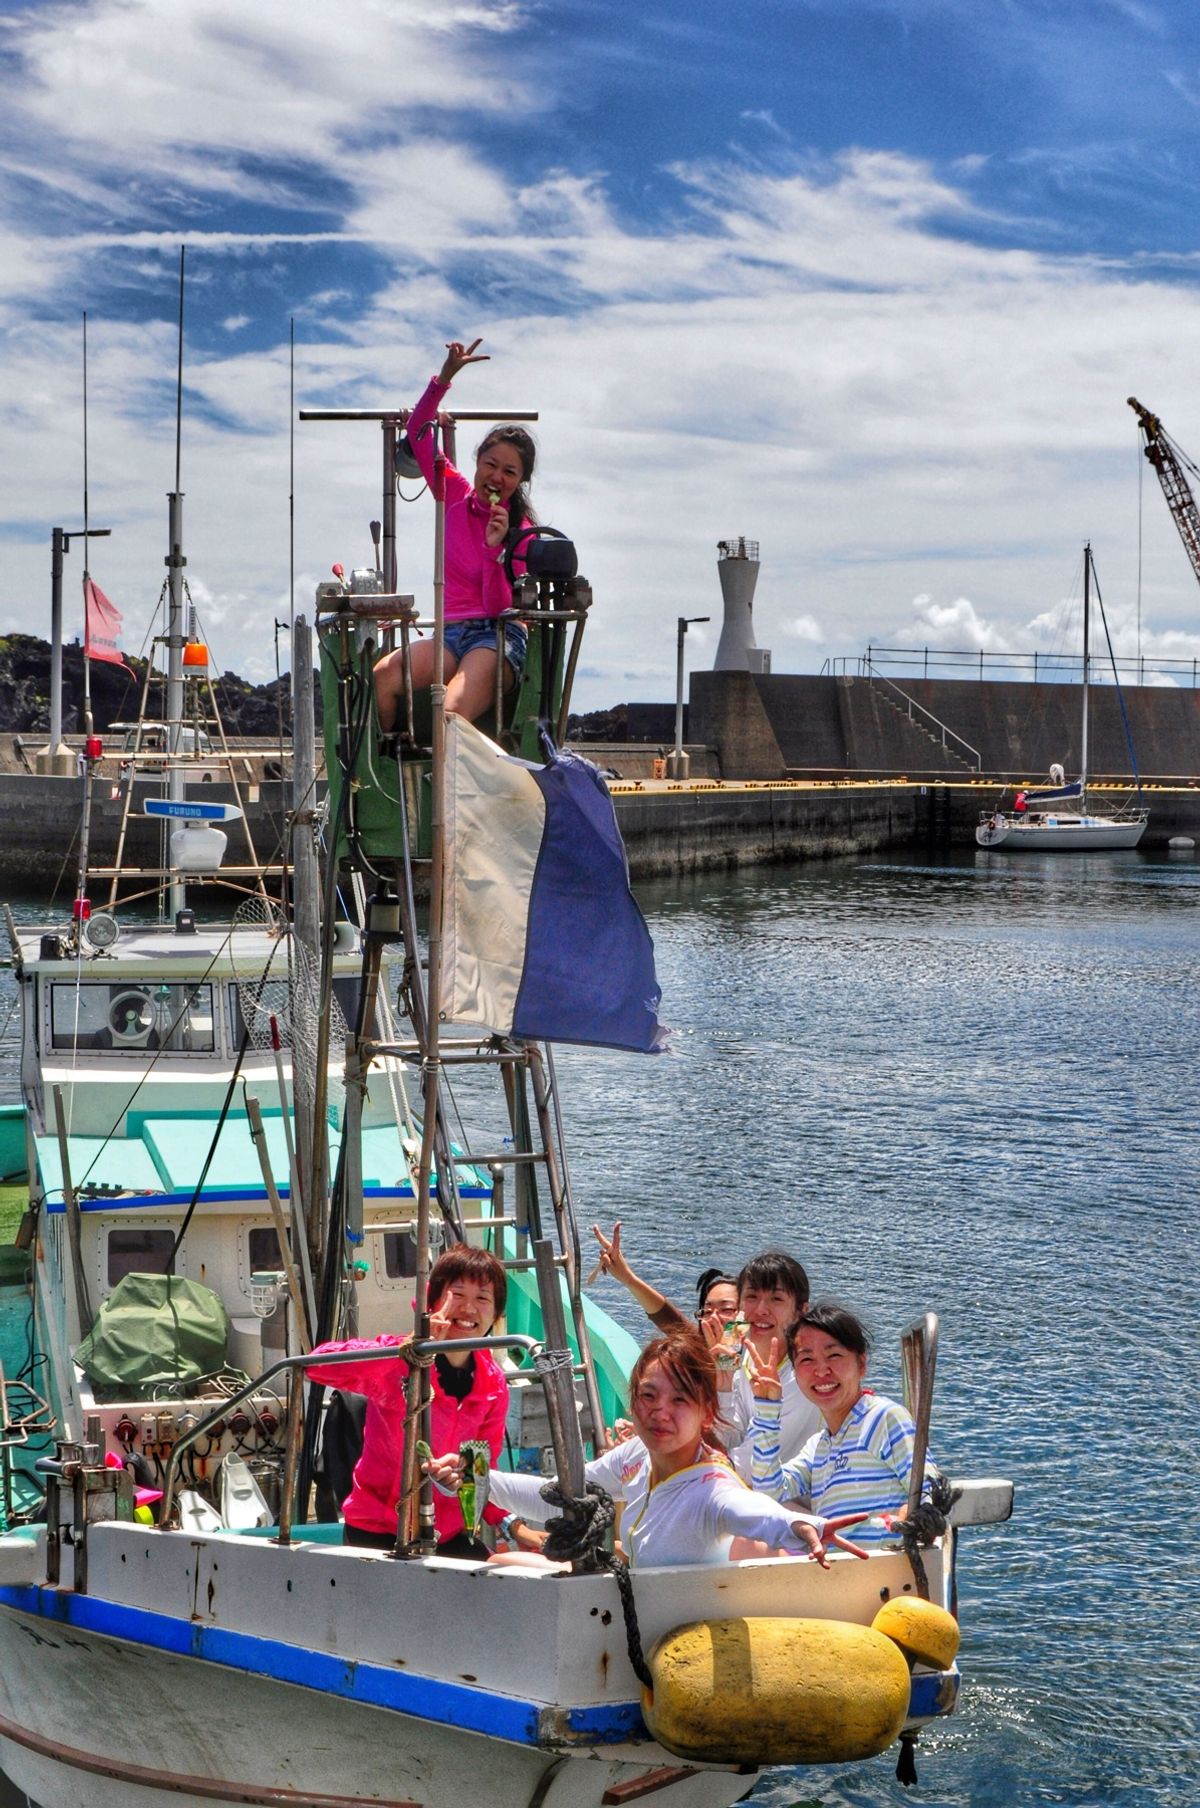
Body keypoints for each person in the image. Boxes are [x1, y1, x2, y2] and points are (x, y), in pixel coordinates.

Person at [429, 1330, 868, 1569]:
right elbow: (559, 1492)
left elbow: (750, 1510)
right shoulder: (635, 1456)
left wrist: (801, 1525)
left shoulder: (710, 1488)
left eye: (680, 1400)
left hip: (673, 1630)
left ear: (706, 1412)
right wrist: (475, 1476)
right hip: (637, 1602)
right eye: (648, 1396)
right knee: (506, 1562)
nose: (660, 1412)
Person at [374, 336, 537, 732]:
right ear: (478, 463)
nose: (496, 476)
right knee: (382, 676)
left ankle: (452, 786)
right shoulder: (454, 492)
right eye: (490, 464)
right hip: (451, 632)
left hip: (497, 634)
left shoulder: (523, 533)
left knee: (450, 708)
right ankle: (393, 764)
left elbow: (500, 608)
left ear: (519, 482)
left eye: (509, 472)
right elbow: (416, 430)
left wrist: (494, 551)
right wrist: (445, 376)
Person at [305, 1243, 510, 1557]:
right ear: (433, 1302)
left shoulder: (493, 1384)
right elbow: (316, 1365)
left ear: (495, 1315)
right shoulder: (401, 1359)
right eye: (457, 1295)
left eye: (482, 1298)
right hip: (378, 1532)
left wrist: (512, 1524)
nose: (469, 1309)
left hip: (448, 1534)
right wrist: (408, 1350)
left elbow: (483, 1469)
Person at [746, 1302, 935, 1544]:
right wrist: (767, 1409)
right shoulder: (819, 1446)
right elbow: (769, 1492)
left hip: (883, 1573)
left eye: (834, 1355)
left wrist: (916, 1512)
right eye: (807, 1359)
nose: (821, 1370)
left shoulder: (883, 1418)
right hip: (839, 1573)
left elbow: (928, 1486)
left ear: (861, 1364)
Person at [710, 1250, 822, 1477]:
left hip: (797, 1501)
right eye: (752, 1297)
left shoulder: (804, 1373)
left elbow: (749, 1468)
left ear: (802, 1311)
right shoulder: (743, 1358)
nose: (761, 1309)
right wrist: (722, 1388)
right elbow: (730, 1436)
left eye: (776, 1299)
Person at [589, 1222, 737, 1338]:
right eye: (707, 1311)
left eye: (727, 1309)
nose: (713, 1318)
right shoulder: (702, 1352)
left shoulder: (752, 1362)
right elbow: (670, 1319)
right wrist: (628, 1278)